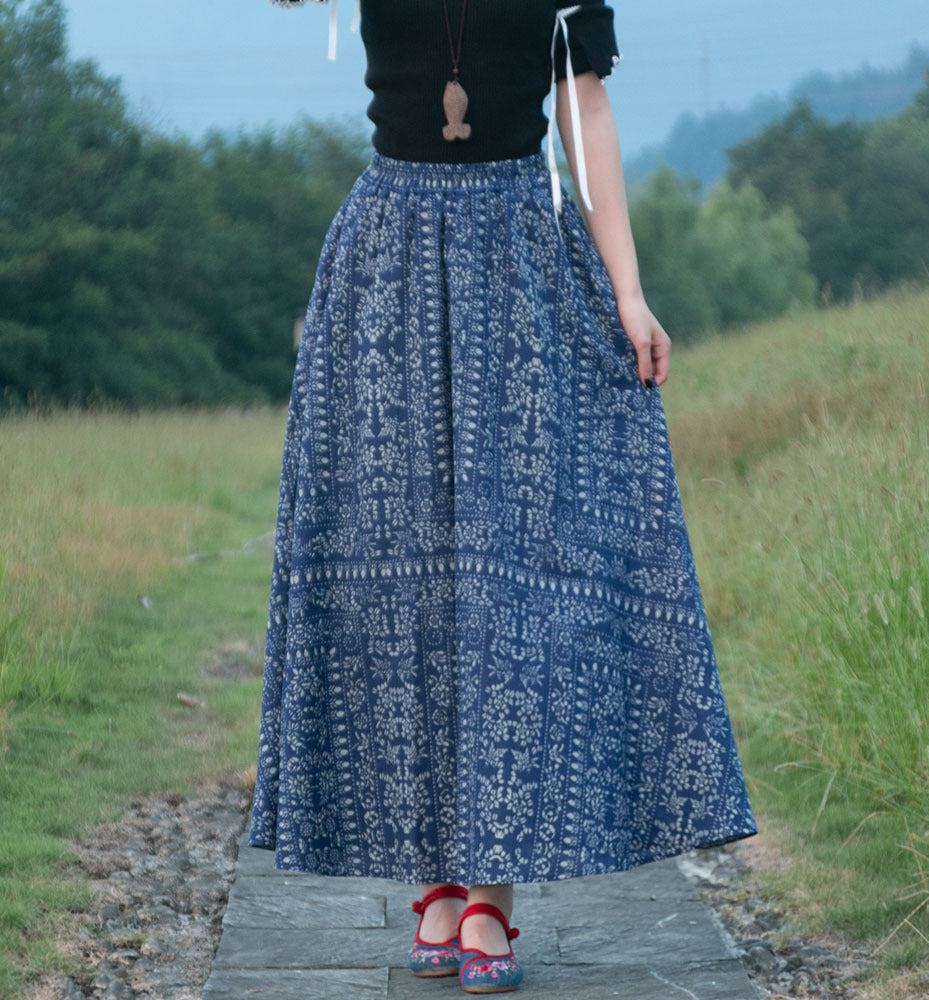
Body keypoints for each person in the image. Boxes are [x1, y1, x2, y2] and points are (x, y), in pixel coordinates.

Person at [249, 0, 758, 993]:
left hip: (523, 263)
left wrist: (628, 292)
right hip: (387, 265)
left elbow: (585, 109)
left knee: (513, 585)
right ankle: (435, 880)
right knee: (404, 587)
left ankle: (490, 890)